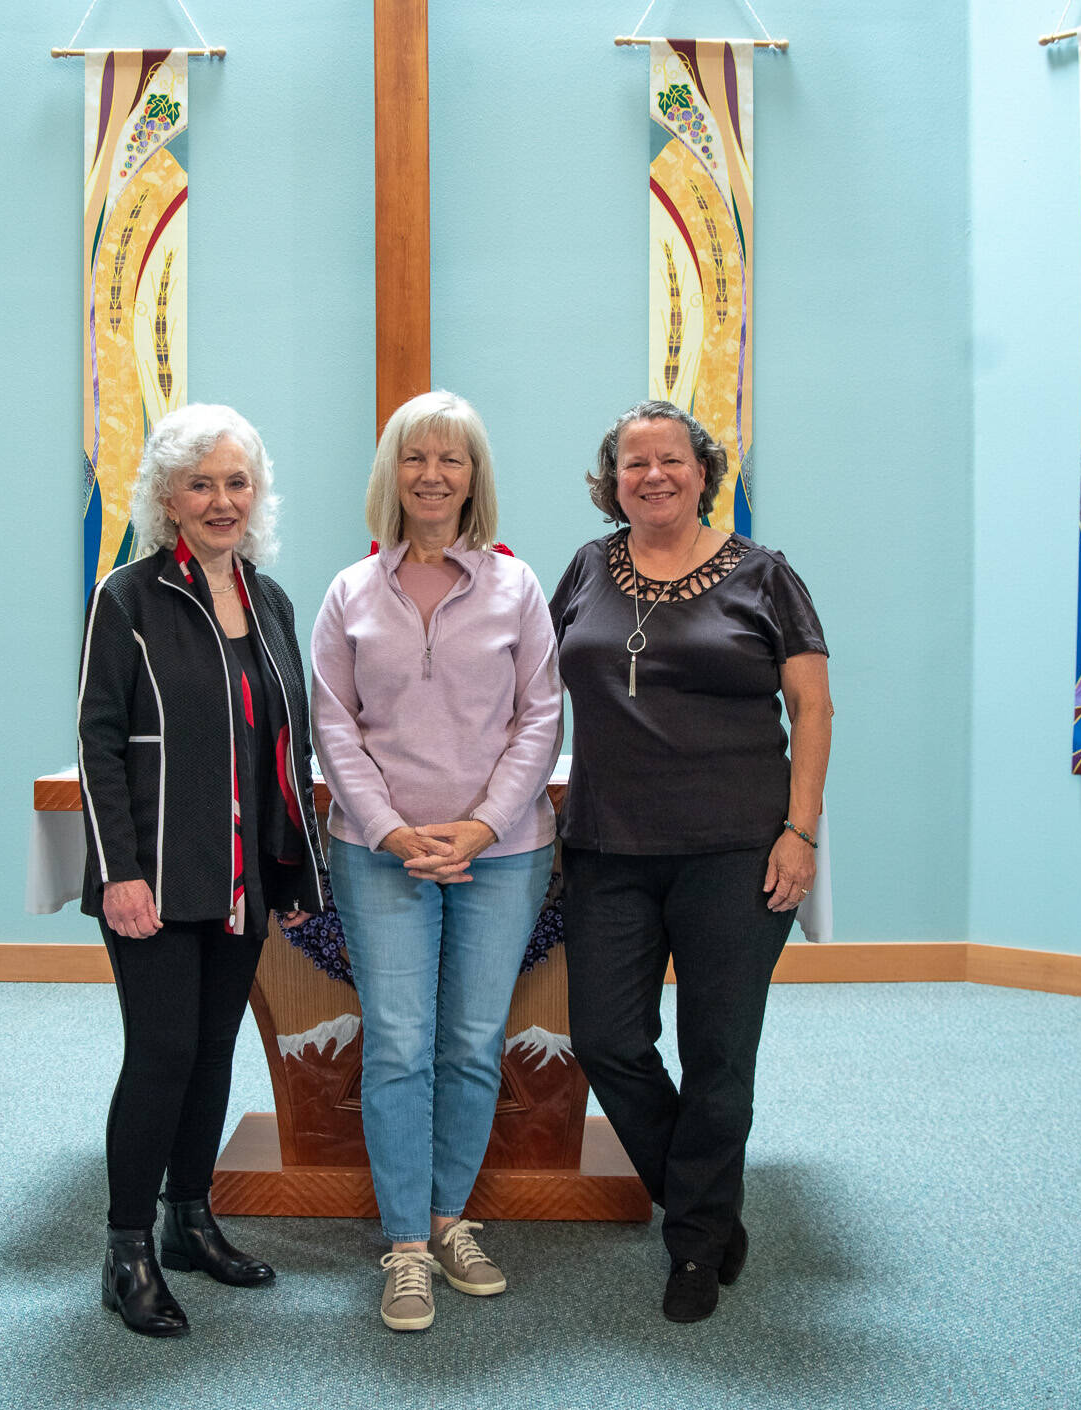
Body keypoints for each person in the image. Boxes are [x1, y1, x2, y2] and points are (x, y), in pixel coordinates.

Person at [548, 399, 832, 1325]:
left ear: (704, 471)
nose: (654, 475)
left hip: (737, 851)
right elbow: (519, 679)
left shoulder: (765, 575)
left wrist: (802, 830)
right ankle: (701, 1196)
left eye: (672, 459)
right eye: (635, 463)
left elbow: (814, 709)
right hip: (606, 846)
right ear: (612, 480)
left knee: (718, 1051)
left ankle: (696, 1246)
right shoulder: (589, 568)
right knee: (605, 1039)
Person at [310, 391, 562, 1332]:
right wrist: (390, 831)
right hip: (380, 856)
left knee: (469, 1043)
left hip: (502, 853)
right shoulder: (348, 591)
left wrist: (484, 827)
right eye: (415, 458)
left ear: (474, 477)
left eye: (451, 459)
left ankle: (453, 1219)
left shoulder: (517, 586)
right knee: (401, 1043)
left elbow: (542, 714)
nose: (432, 475)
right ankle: (407, 1245)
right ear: (391, 474)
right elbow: (332, 724)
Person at [76, 403, 326, 1338]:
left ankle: (191, 1220)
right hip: (156, 877)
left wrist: (292, 870)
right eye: (200, 483)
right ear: (167, 497)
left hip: (241, 878)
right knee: (162, 1053)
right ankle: (127, 1247)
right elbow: (98, 741)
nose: (222, 501)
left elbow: (282, 744)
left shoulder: (270, 602)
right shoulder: (128, 596)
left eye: (237, 482)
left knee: (214, 1052)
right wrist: (118, 872)